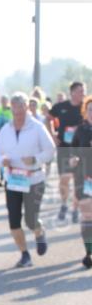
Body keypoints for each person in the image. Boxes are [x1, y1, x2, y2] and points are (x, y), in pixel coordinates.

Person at [0, 93, 56, 268]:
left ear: (27, 107)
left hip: (34, 178)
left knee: (30, 219)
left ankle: (39, 231)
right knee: (14, 220)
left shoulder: (37, 127)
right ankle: (24, 255)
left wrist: (35, 159)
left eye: (21, 107)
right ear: (11, 109)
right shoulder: (6, 129)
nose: (18, 112)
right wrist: (1, 161)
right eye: (15, 108)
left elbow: (51, 150)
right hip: (13, 179)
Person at [50, 81, 87, 224]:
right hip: (64, 148)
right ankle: (64, 203)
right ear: (72, 92)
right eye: (79, 91)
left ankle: (75, 208)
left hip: (79, 149)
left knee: (78, 181)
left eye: (84, 91)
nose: (82, 94)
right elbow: (48, 118)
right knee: (64, 179)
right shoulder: (61, 107)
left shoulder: (86, 108)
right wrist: (52, 135)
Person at [68, 96, 92, 269]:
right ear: (85, 111)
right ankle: (89, 252)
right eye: (90, 109)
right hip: (85, 178)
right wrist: (73, 160)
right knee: (87, 217)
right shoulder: (80, 131)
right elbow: (71, 153)